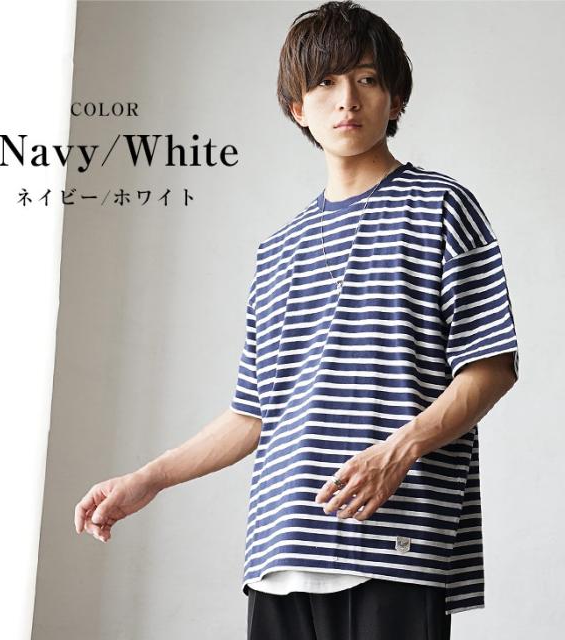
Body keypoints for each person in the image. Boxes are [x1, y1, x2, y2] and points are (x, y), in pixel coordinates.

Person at [74, 2, 520, 638]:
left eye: (367, 79)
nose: (347, 100)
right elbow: (254, 413)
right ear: (297, 108)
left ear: (395, 99)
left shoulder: (442, 207)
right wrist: (148, 479)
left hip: (393, 545)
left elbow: (491, 367)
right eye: (325, 82)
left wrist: (398, 452)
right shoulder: (279, 249)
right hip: (280, 552)